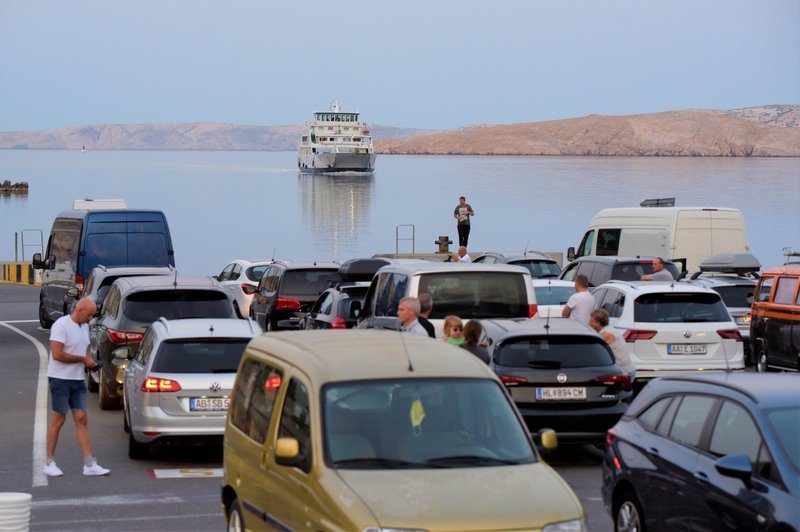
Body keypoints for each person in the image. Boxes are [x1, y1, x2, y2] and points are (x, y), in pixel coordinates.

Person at [44, 298, 110, 477]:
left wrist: (90, 363)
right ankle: (49, 462)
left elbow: (86, 350)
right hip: (60, 378)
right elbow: (57, 354)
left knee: (81, 418)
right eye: (89, 314)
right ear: (79, 310)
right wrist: (82, 360)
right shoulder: (61, 325)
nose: (90, 318)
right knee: (58, 419)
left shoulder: (85, 327)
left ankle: (89, 464)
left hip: (78, 378)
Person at [589, 309, 635, 381]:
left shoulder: (606, 334)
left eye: (591, 321)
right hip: (627, 370)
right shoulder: (610, 329)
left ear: (598, 322)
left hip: (623, 372)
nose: (589, 324)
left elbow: (593, 352)